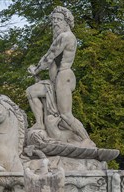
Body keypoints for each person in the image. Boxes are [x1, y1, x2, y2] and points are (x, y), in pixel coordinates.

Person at [27, 6, 90, 141]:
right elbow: (49, 55)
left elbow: (50, 56)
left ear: (66, 22)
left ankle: (87, 140)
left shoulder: (66, 37)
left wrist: (36, 70)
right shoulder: (59, 37)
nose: (55, 22)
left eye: (59, 19)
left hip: (63, 77)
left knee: (66, 114)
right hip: (54, 80)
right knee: (31, 92)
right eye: (53, 19)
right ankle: (39, 123)